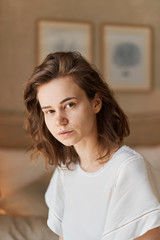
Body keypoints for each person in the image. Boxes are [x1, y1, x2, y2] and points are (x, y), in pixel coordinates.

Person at [24, 51, 160, 240]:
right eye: (49, 111)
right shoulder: (66, 169)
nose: (59, 120)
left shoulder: (126, 169)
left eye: (69, 105)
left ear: (96, 103)